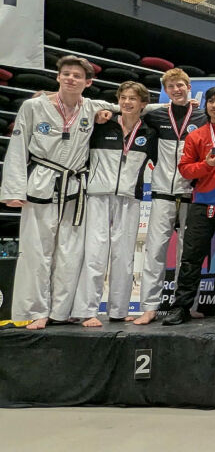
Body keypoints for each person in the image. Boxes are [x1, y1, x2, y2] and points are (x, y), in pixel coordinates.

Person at [1, 55, 117, 329]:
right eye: (66, 74)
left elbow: (131, 106)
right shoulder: (33, 106)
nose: (70, 78)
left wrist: (183, 103)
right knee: (36, 252)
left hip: (75, 187)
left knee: (70, 252)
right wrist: (14, 190)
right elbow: (17, 149)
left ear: (88, 82)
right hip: (41, 182)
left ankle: (61, 311)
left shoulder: (91, 107)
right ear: (57, 77)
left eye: (77, 75)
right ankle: (37, 310)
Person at [162, 87, 215, 325]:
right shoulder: (196, 135)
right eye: (210, 101)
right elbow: (185, 169)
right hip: (202, 204)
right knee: (191, 258)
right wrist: (206, 165)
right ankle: (181, 307)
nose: (214, 105)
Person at [72, 81, 157, 327]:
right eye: (123, 98)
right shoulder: (102, 125)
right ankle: (87, 310)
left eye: (133, 99)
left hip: (130, 198)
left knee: (124, 255)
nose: (127, 102)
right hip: (98, 195)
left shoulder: (149, 133)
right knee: (95, 253)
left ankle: (118, 310)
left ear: (143, 104)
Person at [132, 68, 208, 325]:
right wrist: (165, 104)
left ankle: (188, 304)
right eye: (171, 86)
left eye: (180, 85)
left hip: (192, 193)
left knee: (189, 252)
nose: (177, 90)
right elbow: (133, 109)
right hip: (162, 192)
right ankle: (150, 307)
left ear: (189, 87)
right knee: (155, 251)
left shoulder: (202, 115)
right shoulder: (157, 114)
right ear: (165, 91)